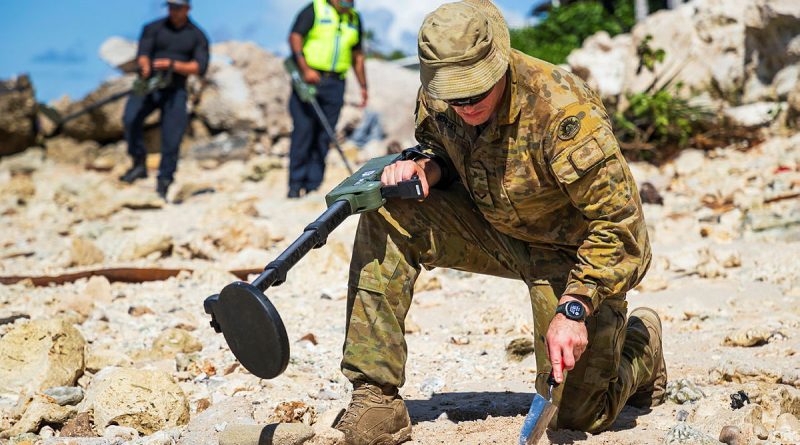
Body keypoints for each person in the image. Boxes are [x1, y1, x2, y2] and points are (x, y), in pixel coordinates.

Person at [333, 1, 666, 444]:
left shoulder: (564, 114)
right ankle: (375, 395)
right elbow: (440, 148)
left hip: (572, 256)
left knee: (577, 418)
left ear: (499, 65)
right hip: (493, 231)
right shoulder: (438, 93)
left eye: (475, 93)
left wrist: (575, 308)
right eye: (454, 95)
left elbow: (625, 232)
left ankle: (642, 343)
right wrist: (426, 168)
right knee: (388, 212)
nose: (464, 105)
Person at [119, 0, 209, 199]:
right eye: (170, 7)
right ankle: (138, 164)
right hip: (148, 86)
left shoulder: (197, 35)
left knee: (172, 137)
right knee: (130, 118)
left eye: (177, 7)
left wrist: (173, 65)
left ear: (187, 9)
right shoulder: (153, 28)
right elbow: (142, 53)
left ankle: (164, 181)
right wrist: (145, 66)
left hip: (176, 90)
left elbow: (200, 67)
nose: (173, 11)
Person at [287, 0, 368, 198]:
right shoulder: (315, 8)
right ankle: (295, 186)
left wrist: (363, 86)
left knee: (325, 135)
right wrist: (305, 68)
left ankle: (314, 185)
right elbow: (295, 36)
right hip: (309, 80)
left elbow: (357, 55)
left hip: (336, 83)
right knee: (303, 131)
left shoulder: (354, 17)